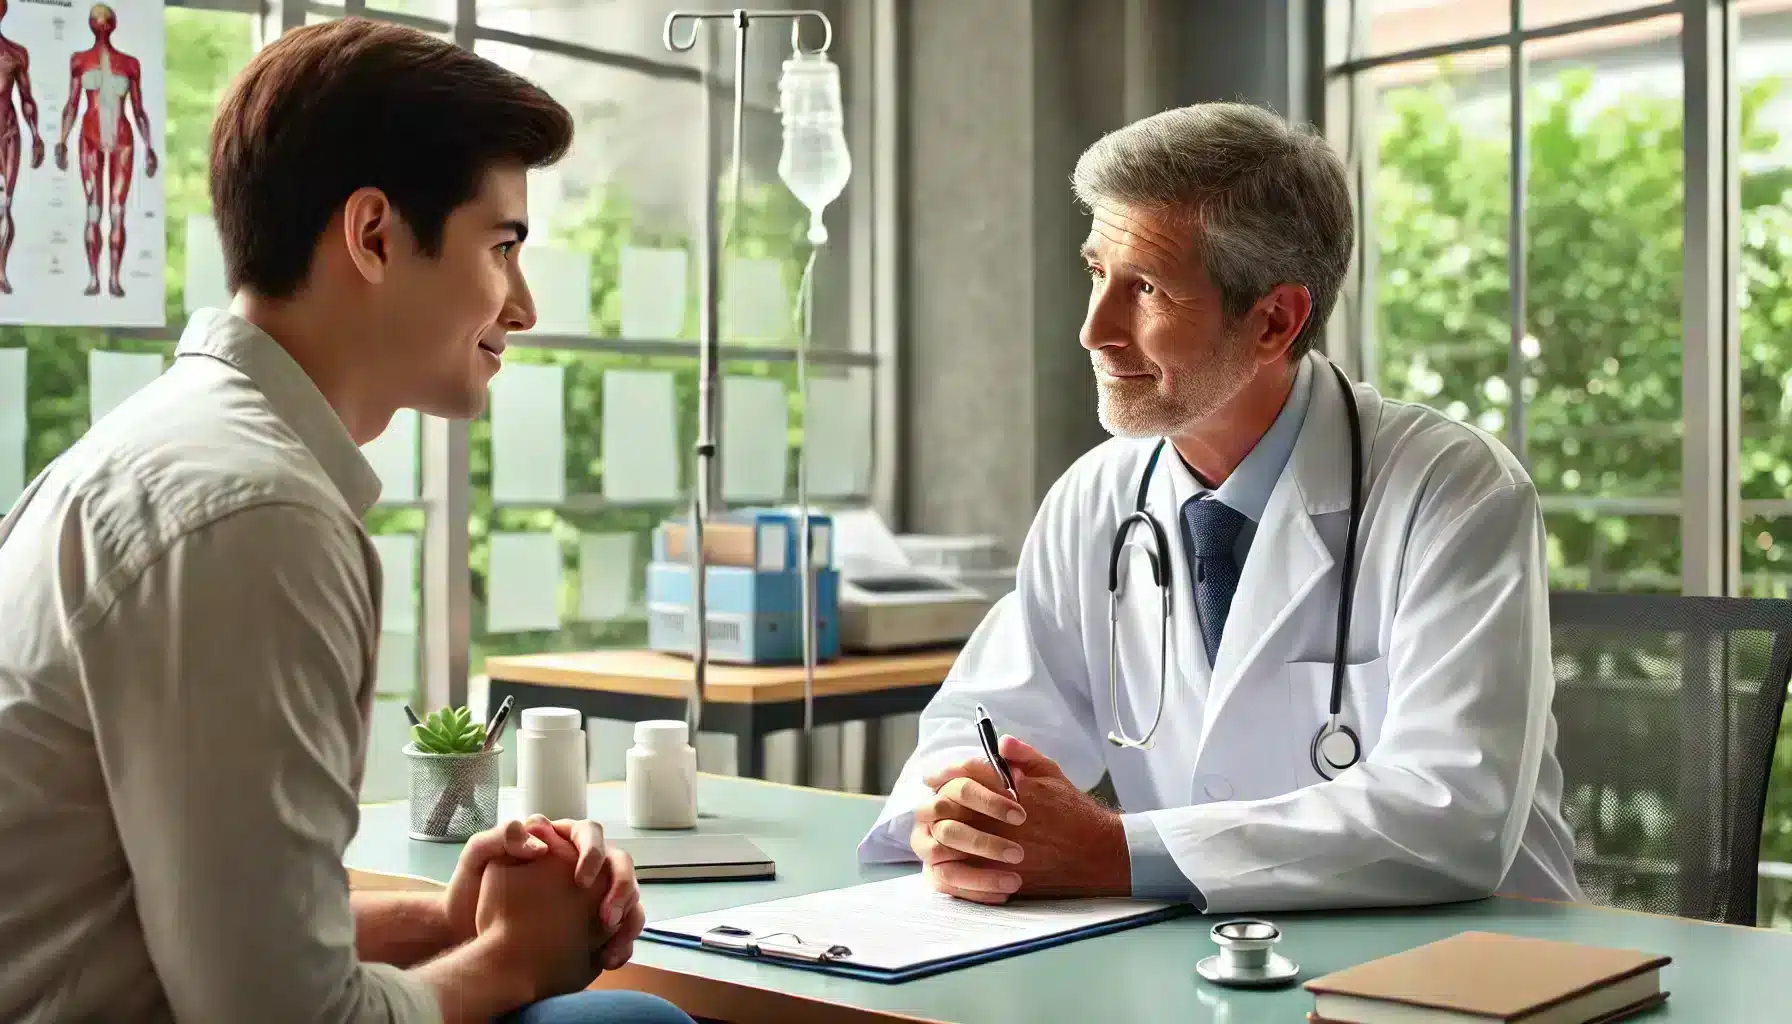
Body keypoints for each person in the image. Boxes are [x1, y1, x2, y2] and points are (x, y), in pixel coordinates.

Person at [0, 18, 694, 1024]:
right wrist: (510, 955)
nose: (524, 304)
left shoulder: (169, 448)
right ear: (373, 235)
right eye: (502, 246)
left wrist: (444, 925)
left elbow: (168, 931)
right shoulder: (255, 516)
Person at [859, 102, 1585, 915]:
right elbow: (982, 721)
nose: (1093, 330)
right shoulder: (1096, 498)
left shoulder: (1454, 491)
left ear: (1274, 320)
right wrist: (966, 813)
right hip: (1208, 961)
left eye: (1146, 288)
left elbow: (1453, 814)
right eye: (1097, 272)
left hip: (1464, 967)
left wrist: (1111, 851)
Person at [54, 2, 156, 298]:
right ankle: (93, 278)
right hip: (89, 137)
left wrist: (149, 146)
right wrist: (61, 138)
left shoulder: (130, 64)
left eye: (106, 18)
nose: (101, 22)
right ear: (89, 23)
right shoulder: (80, 61)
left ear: (113, 24)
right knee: (93, 210)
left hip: (123, 139)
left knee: (117, 210)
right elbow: (72, 104)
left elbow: (138, 110)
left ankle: (113, 277)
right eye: (95, 17)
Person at [0, 0, 46, 294]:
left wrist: (37, 135)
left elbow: (27, 99)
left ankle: (1, 269)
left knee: (5, 206)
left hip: (8, 134)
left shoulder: (14, 55)